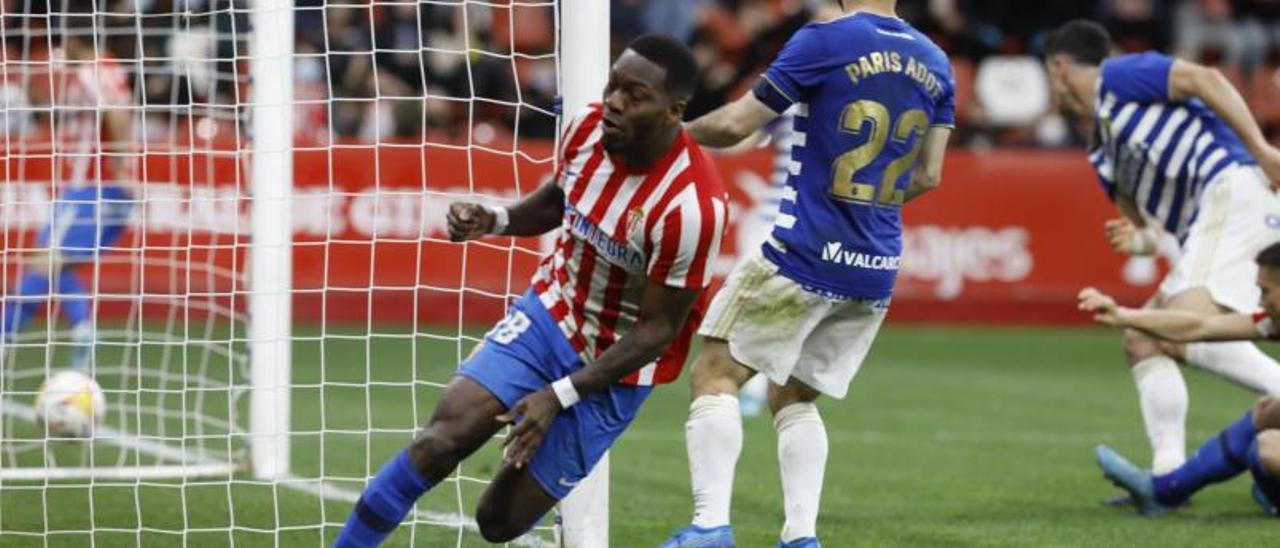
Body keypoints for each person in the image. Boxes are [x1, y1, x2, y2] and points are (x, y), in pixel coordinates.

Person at [332, 34, 728, 547]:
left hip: (617, 369)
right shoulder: (586, 129)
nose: (613, 102)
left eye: (635, 95)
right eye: (613, 86)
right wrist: (494, 219)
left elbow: (657, 331)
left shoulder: (692, 209)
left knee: (497, 522)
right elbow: (561, 200)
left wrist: (558, 396)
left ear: (674, 111)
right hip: (550, 313)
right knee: (440, 442)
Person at [663, 1, 955, 546]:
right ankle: (801, 538)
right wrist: (868, 211)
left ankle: (709, 528)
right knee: (793, 396)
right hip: (875, 266)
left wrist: (665, 136)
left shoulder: (824, 41)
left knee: (715, 373)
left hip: (804, 250)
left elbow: (733, 123)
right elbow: (930, 174)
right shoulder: (937, 61)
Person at [1043, 19, 1280, 488]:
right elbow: (1147, 230)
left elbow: (1206, 79)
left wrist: (1262, 150)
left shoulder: (1121, 76)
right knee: (1143, 338)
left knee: (1183, 322)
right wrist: (1138, 242)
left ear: (1060, 67)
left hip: (1230, 189)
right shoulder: (1100, 152)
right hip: (1204, 223)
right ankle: (1166, 473)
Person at [1076, 241, 1280, 517]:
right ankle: (1168, 490)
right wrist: (1124, 315)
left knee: (1266, 449)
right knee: (1268, 412)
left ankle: (1169, 491)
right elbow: (1200, 326)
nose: (1259, 300)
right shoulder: (1271, 320)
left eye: (1265, 291)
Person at [2, 13, 134, 368]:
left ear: (76, 40)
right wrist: (32, 89)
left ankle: (8, 335)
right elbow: (63, 119)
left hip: (91, 189)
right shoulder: (104, 69)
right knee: (56, 263)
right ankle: (82, 331)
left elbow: (117, 115)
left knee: (44, 261)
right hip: (96, 189)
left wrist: (122, 165)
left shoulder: (93, 70)